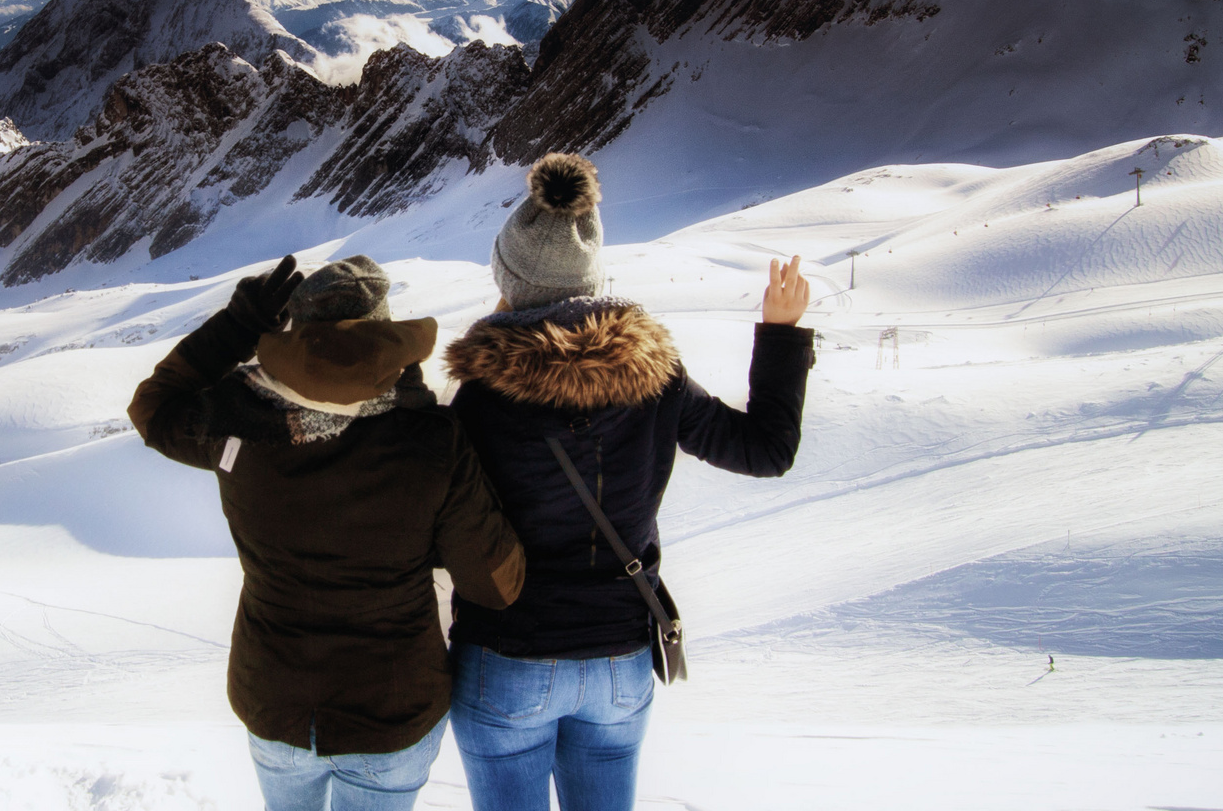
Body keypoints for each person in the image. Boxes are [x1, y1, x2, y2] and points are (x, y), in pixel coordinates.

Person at [441, 153, 815, 811]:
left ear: (507, 275)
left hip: (507, 655)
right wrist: (781, 336)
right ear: (595, 278)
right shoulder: (655, 376)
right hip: (618, 658)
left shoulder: (480, 395)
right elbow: (766, 450)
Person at [130, 253, 527, 811]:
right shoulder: (432, 440)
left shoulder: (235, 426)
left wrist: (239, 326)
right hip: (391, 714)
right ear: (387, 339)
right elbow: (495, 585)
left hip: (275, 706)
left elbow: (152, 409)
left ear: (297, 336)